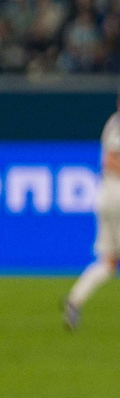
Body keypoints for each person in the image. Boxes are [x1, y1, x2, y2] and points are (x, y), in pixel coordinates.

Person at [62, 89, 120, 329]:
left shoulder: (112, 121)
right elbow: (112, 160)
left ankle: (74, 300)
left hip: (107, 194)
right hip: (116, 194)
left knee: (108, 262)